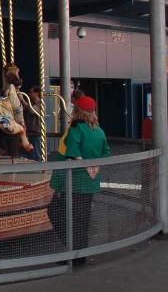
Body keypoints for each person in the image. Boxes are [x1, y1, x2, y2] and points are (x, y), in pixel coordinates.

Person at [49, 96, 111, 266]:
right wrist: (94, 168)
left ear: (77, 111)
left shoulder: (75, 129)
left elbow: (72, 151)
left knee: (57, 212)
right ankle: (79, 254)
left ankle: (74, 251)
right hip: (90, 182)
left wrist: (84, 166)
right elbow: (106, 152)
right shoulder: (99, 131)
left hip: (73, 180)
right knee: (82, 219)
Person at [24, 85, 45, 161]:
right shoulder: (32, 103)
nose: (29, 94)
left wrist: (23, 100)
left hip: (36, 131)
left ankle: (39, 167)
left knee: (36, 153)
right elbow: (27, 108)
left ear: (37, 93)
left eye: (31, 92)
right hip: (30, 131)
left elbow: (32, 110)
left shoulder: (40, 103)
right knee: (30, 152)